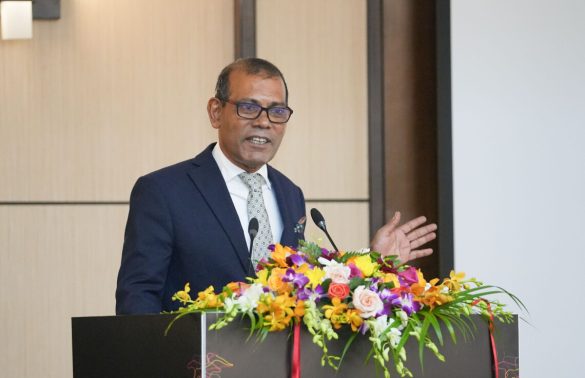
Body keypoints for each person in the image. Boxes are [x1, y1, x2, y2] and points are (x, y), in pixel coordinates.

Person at [115, 58, 436, 315]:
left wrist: (373, 263)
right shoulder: (164, 191)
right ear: (216, 112)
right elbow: (138, 296)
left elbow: (303, 288)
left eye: (277, 112)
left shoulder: (289, 193)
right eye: (249, 107)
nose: (264, 122)